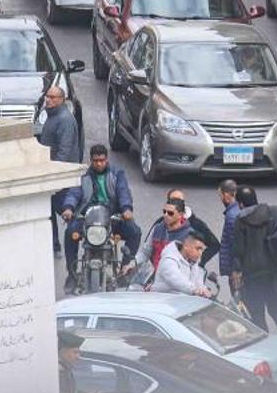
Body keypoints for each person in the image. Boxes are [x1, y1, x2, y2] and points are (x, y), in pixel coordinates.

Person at [60, 145, 140, 276]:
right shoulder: (83, 175)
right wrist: (68, 208)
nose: (99, 163)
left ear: (107, 159)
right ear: (91, 160)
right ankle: (72, 274)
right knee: (70, 233)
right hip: (87, 217)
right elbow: (74, 193)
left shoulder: (117, 173)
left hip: (112, 216)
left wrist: (126, 209)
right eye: (95, 160)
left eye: (102, 160)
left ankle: (125, 270)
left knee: (135, 232)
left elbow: (123, 191)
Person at [229, 186, 277, 336]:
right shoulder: (273, 213)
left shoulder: (241, 220)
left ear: (240, 204)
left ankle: (266, 346)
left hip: (252, 277)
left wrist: (236, 272)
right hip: (274, 274)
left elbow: (239, 249)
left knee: (257, 314)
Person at [35, 82, 82, 253]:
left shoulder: (64, 120)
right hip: (54, 174)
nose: (48, 100)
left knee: (67, 213)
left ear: (62, 100)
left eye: (52, 97)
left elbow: (64, 150)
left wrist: (55, 175)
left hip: (62, 177)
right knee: (48, 210)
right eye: (47, 96)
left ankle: (72, 246)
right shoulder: (53, 116)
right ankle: (54, 244)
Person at [150, 232, 211, 296]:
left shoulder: (193, 263)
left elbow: (198, 283)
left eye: (202, 250)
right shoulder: (169, 260)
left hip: (181, 302)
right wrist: (194, 290)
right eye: (198, 249)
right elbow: (176, 279)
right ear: (186, 246)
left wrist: (206, 291)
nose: (200, 253)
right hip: (162, 301)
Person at [217, 179, 242, 291]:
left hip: (236, 271)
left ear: (226, 195)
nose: (220, 199)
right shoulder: (239, 210)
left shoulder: (232, 216)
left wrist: (236, 270)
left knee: (239, 303)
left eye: (220, 195)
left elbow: (236, 245)